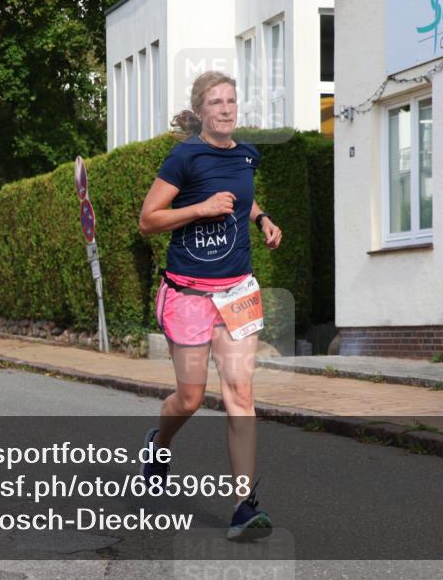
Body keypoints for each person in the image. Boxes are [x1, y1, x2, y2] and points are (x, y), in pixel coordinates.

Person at [138, 70, 282, 541]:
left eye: (231, 101)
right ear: (200, 111)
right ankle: (159, 444)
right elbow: (149, 220)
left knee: (240, 391)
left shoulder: (246, 155)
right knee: (192, 397)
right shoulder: (183, 157)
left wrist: (261, 218)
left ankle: (244, 505)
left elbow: (243, 195)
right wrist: (200, 209)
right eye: (216, 102)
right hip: (189, 294)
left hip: (237, 290)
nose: (225, 109)